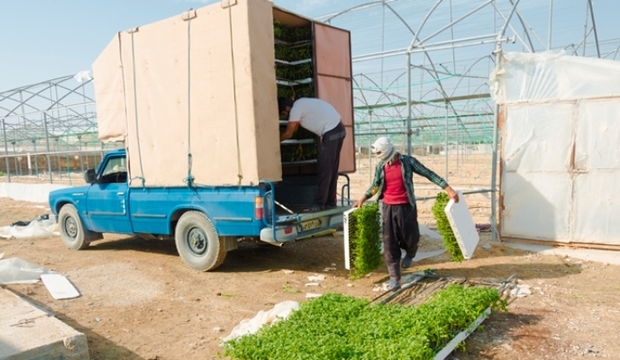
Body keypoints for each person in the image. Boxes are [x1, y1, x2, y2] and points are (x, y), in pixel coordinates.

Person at [352, 136, 459, 290]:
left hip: (406, 207)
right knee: (390, 243)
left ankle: (410, 253)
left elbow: (429, 173)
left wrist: (448, 188)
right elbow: (375, 185)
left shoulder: (408, 162)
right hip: (388, 208)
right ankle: (395, 279)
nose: (383, 160)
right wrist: (363, 198)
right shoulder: (381, 166)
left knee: (411, 237)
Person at [278, 97, 346, 212]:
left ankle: (319, 204)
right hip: (339, 128)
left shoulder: (296, 109)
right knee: (331, 169)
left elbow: (289, 133)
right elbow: (294, 128)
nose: (286, 116)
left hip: (332, 131)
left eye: (285, 114)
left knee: (324, 168)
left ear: (288, 108)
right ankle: (330, 202)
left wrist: (274, 141)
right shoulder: (301, 103)